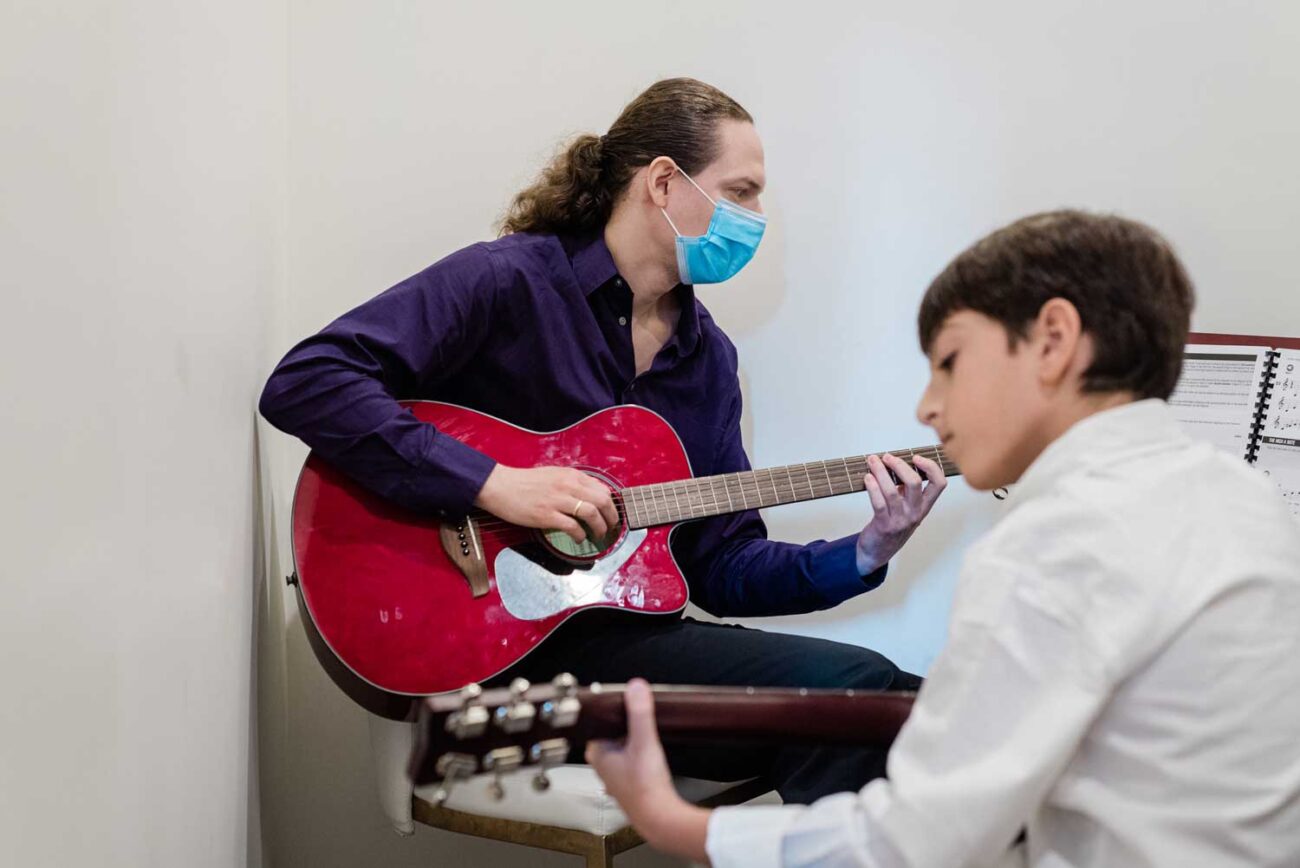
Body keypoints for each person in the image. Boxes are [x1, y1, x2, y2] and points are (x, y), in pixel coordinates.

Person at [258, 77, 945, 803]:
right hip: (478, 653)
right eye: (740, 193)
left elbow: (722, 566)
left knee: (909, 710)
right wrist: (494, 484)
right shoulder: (509, 281)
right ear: (663, 183)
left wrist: (868, 550)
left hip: (618, 647)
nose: (756, 218)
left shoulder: (707, 361)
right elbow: (308, 380)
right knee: (858, 698)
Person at [589, 210, 1300, 866]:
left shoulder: (1061, 538)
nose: (927, 406)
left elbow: (916, 842)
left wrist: (673, 823)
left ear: (1053, 341)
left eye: (950, 362)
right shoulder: (1246, 501)